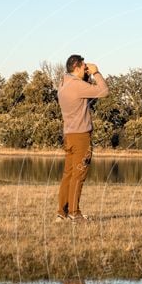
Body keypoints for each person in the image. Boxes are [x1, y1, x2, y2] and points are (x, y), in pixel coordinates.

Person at [56, 54, 109, 223]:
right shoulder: (77, 86)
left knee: (68, 175)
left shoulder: (63, 83)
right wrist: (96, 73)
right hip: (81, 137)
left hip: (69, 135)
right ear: (77, 67)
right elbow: (104, 91)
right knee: (79, 175)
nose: (86, 69)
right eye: (84, 67)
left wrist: (85, 75)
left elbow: (82, 87)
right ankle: (74, 213)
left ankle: (62, 213)